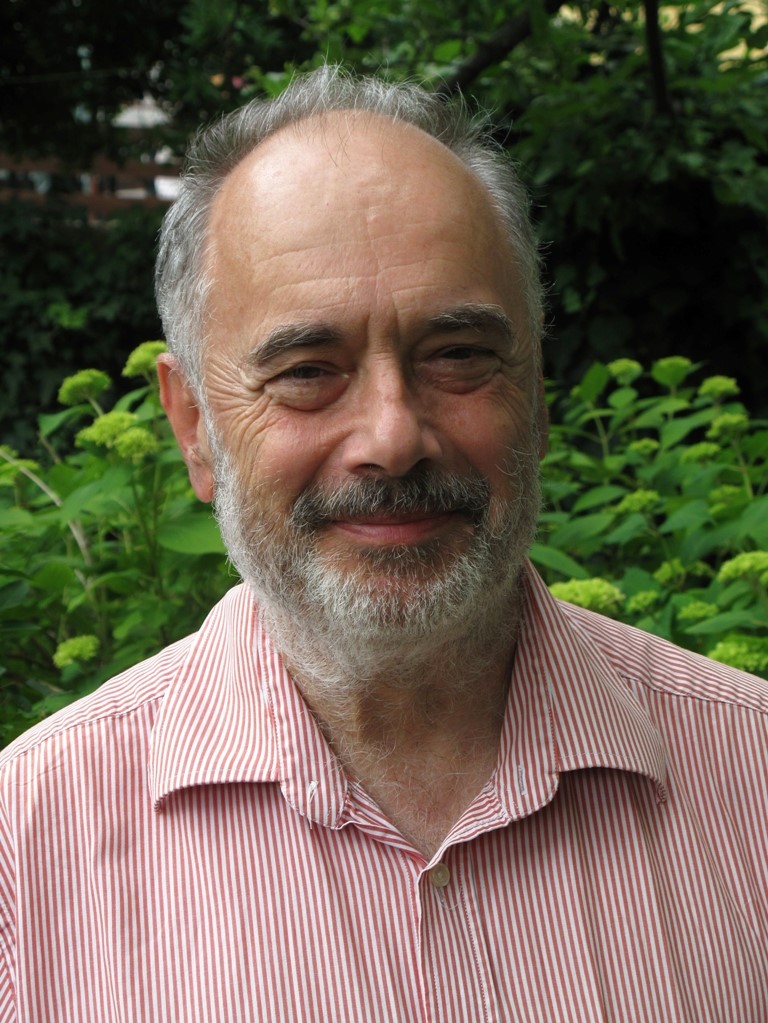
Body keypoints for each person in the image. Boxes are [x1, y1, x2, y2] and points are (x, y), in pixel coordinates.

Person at [0, 66, 766, 1023]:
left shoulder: (752, 774)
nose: (393, 436)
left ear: (536, 390)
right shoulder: (26, 852)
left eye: (458, 355)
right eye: (306, 370)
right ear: (194, 426)